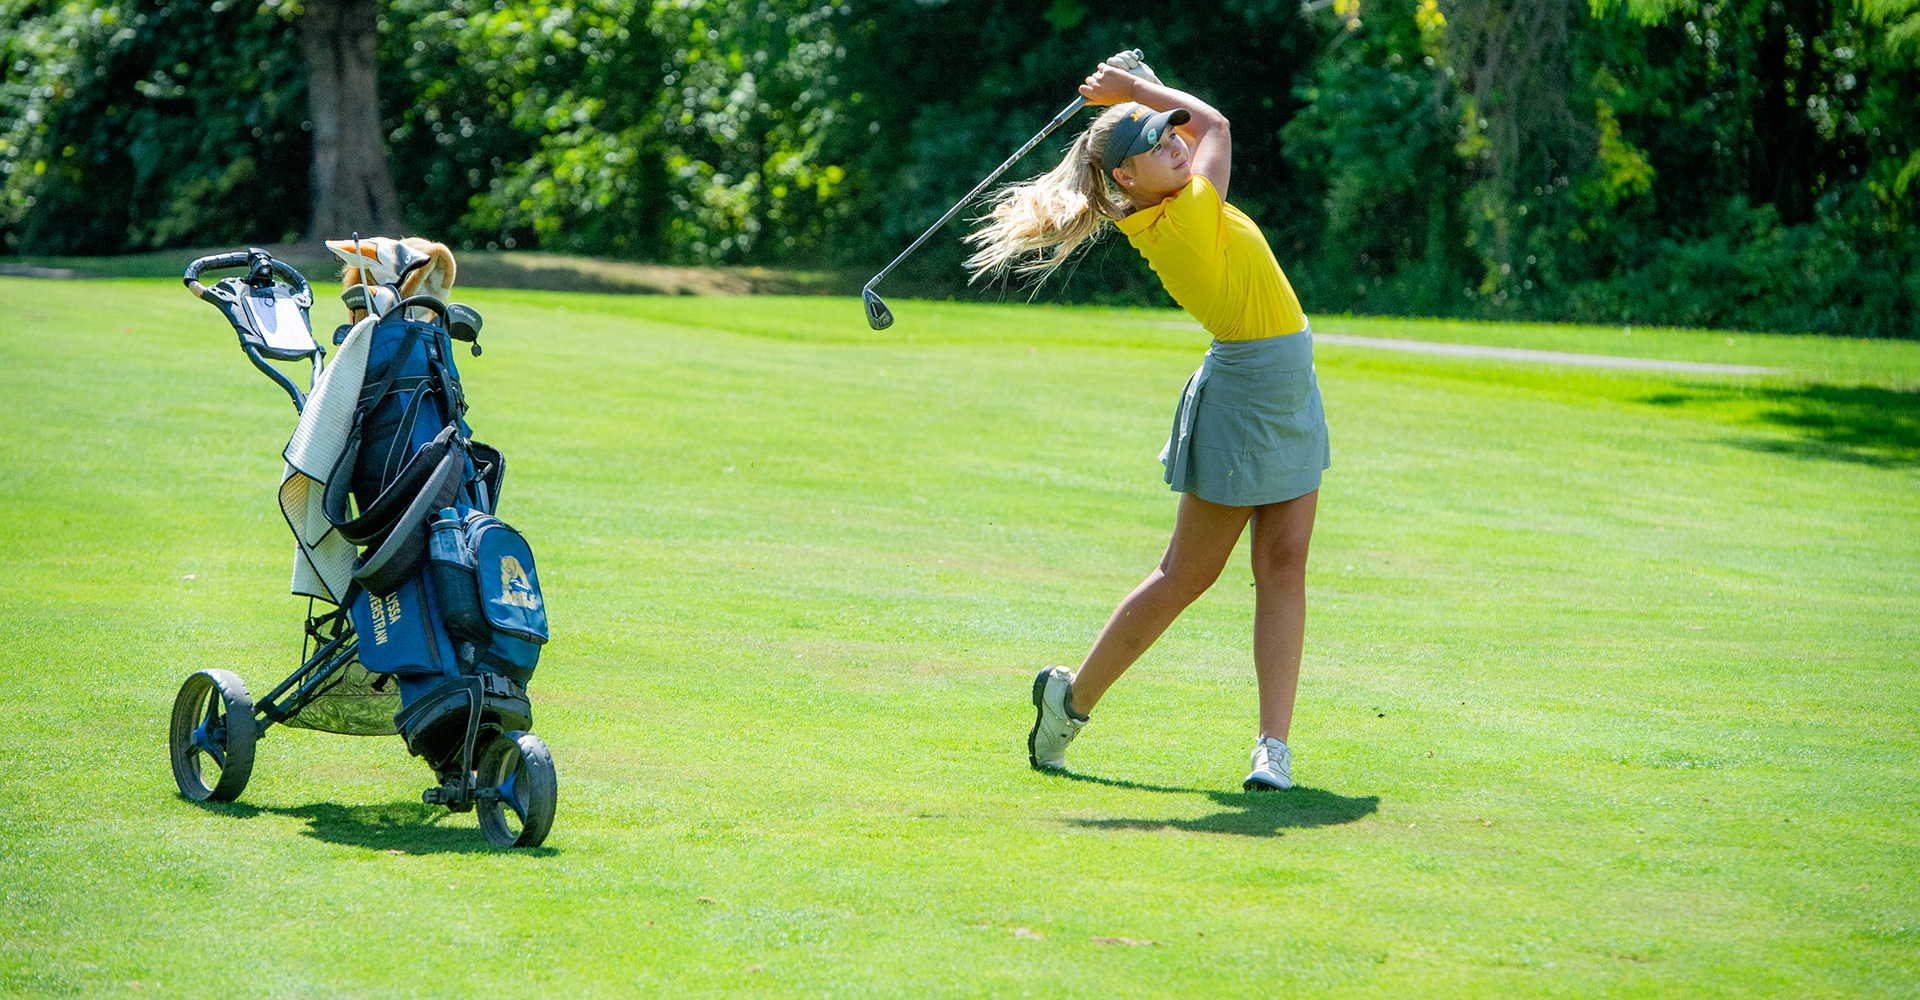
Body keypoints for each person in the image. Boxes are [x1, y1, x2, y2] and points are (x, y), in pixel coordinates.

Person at [966, 55, 1328, 791]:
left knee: (1284, 566)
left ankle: (1272, 748)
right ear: (1126, 180)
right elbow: (1215, 121)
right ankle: (1068, 706)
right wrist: (1134, 89)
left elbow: (1198, 129)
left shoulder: (1186, 199)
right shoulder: (1178, 218)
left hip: (1289, 384)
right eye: (1156, 145)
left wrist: (1144, 97)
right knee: (1187, 576)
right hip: (1247, 394)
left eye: (1169, 137)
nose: (1175, 143)